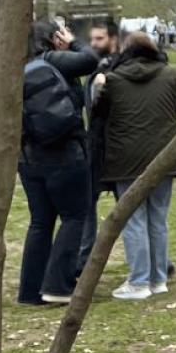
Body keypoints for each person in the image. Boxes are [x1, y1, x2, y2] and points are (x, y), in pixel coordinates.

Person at [95, 32, 176, 300]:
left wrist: (99, 86)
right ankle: (158, 279)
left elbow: (98, 111)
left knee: (133, 221)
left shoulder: (114, 80)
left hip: (126, 160)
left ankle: (139, 281)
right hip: (164, 158)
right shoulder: (168, 75)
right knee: (158, 219)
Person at [18, 19, 98, 306]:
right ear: (53, 37)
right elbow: (91, 60)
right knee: (74, 216)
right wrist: (73, 41)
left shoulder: (14, 67)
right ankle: (57, 286)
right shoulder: (53, 60)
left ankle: (30, 290)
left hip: (28, 158)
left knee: (40, 222)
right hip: (65, 154)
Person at [77, 21, 120, 277]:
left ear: (113, 39)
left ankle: (157, 259)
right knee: (87, 204)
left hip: (116, 148)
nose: (94, 44)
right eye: (92, 39)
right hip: (94, 147)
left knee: (129, 204)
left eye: (100, 39)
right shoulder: (94, 69)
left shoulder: (118, 68)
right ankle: (84, 260)